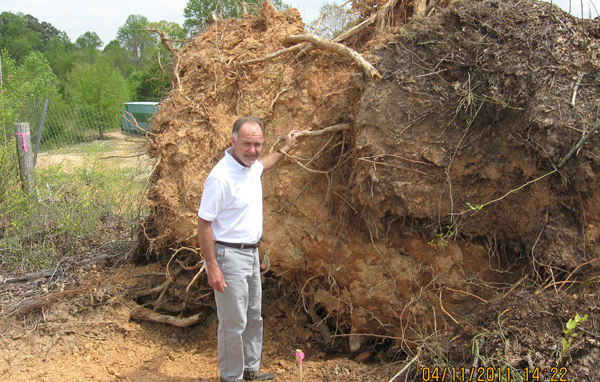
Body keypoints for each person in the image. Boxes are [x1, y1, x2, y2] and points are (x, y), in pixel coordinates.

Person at [197, 116, 300, 382]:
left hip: (251, 254)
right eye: (247, 144)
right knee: (233, 324)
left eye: (257, 144)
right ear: (233, 142)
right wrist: (213, 267)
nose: (253, 150)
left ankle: (250, 370)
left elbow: (264, 164)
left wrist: (285, 148)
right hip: (228, 257)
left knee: (253, 316)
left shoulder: (250, 166)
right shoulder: (221, 177)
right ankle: (232, 378)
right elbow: (204, 223)